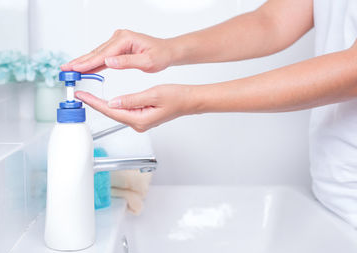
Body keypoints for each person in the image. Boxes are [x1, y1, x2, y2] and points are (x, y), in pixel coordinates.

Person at [61, 0, 357, 228]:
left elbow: (353, 70)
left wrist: (193, 100)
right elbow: (272, 22)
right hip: (334, 189)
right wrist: (167, 49)